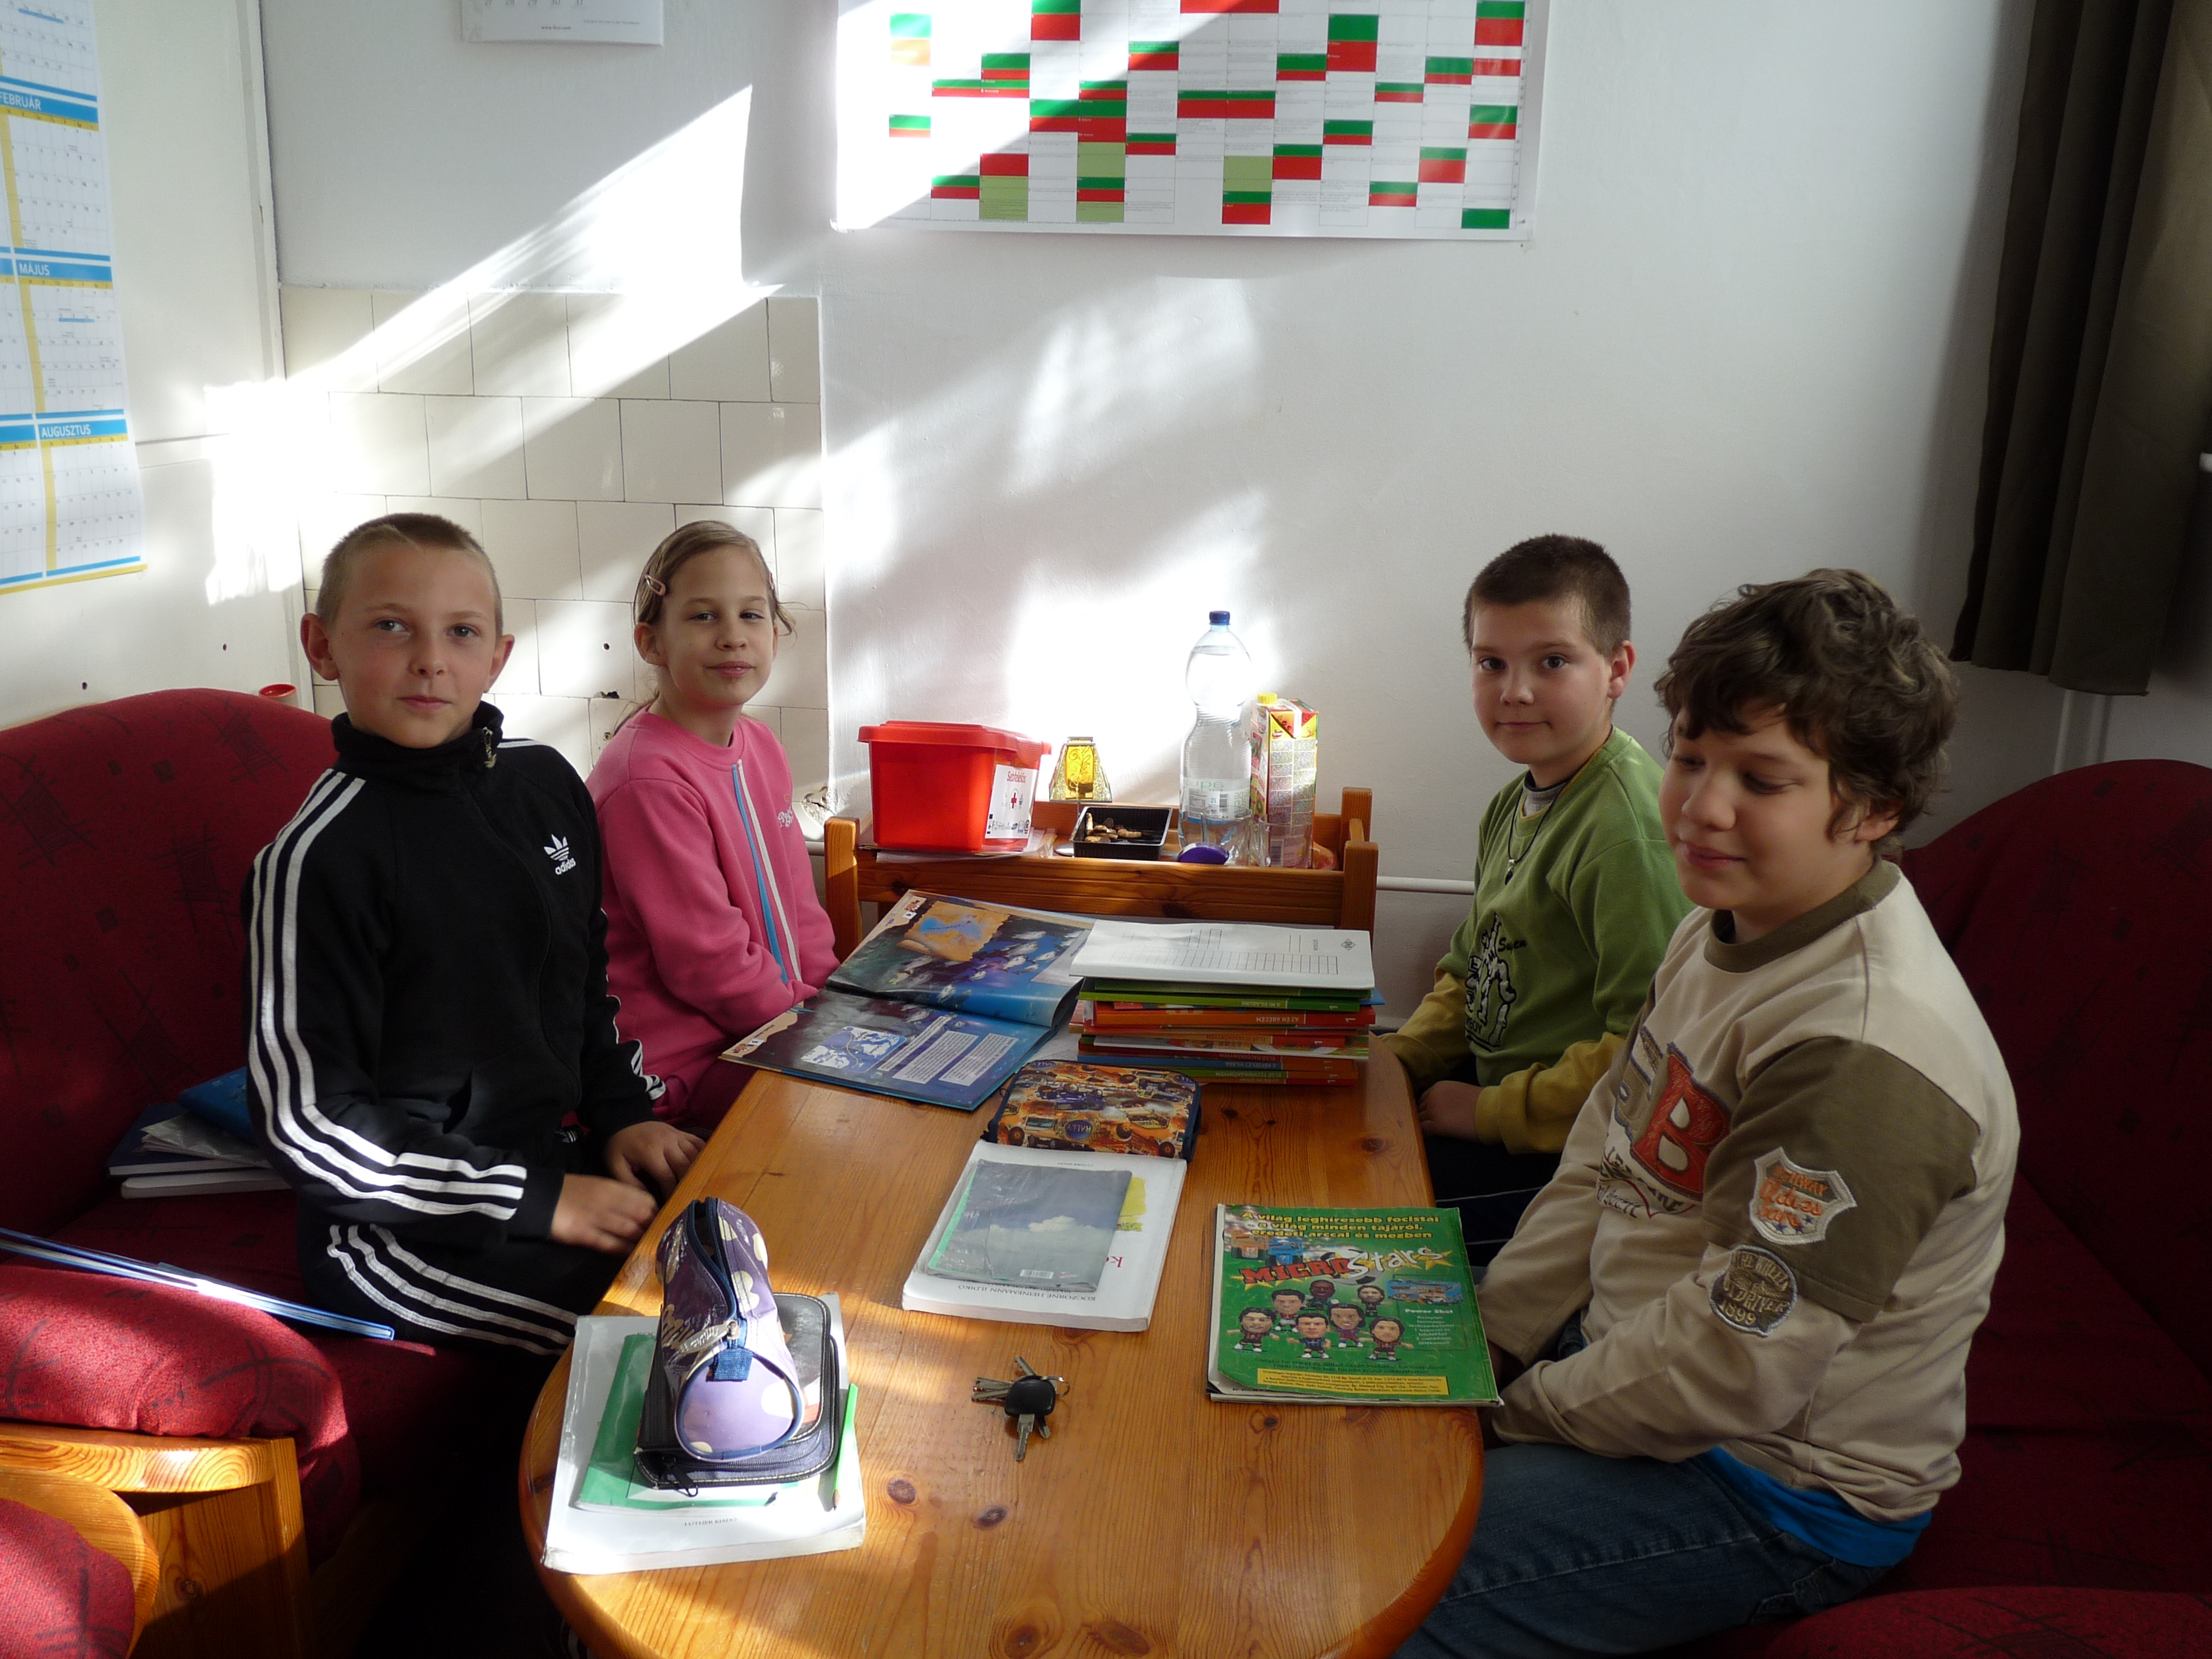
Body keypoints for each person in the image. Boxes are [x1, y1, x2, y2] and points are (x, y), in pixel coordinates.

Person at [1398, 571, 2020, 1658]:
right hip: (1636, 1359)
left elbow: (1737, 1362)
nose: (1699, 808)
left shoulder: (1861, 1051)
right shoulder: (1720, 920)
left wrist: (1504, 1416)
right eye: (1690, 758)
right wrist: (1488, 1339)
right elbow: (1607, 1152)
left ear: (1872, 808)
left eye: (1761, 779)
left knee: (1364, 1568)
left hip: (1766, 1481)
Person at [246, 514, 701, 1358]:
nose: (431, 660)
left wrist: (622, 1116)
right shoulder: (318, 858)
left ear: (497, 656)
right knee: (665, 1345)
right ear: (321, 646)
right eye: (391, 627)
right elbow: (309, 1126)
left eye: (461, 632)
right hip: (400, 1237)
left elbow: (585, 986)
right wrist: (534, 1200)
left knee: (758, 1249)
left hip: (557, 1159)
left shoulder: (544, 783)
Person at [1376, 536, 1689, 1256]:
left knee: (1353, 1200)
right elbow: (1469, 969)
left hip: (1570, 1156)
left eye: (1551, 662)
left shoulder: (1625, 832)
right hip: (1499, 1096)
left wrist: (1487, 1113)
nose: (1514, 691)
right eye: (1491, 663)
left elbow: (1645, 1053)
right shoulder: (1511, 803)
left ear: (1617, 670)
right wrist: (1402, 1060)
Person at [588, 521, 839, 1133]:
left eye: (751, 615)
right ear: (652, 642)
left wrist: (833, 1004)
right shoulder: (648, 779)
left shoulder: (759, 745)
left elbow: (799, 907)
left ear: (775, 633)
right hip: (678, 1073)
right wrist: (815, 1029)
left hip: (762, 1030)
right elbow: (708, 963)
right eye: (704, 617)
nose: (732, 636)